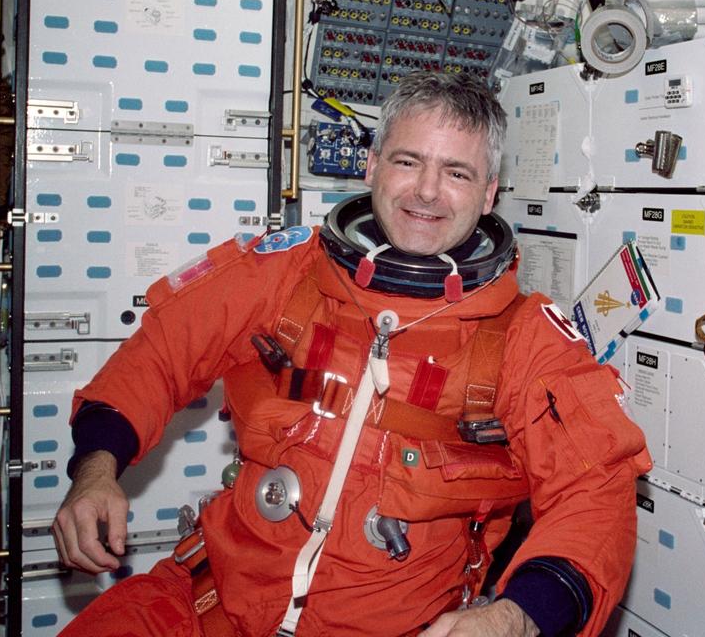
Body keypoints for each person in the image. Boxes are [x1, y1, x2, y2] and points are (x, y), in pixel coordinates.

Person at [52, 70, 651, 637]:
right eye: (407, 161)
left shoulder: (524, 339)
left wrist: (513, 617)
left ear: (489, 193)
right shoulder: (285, 274)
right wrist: (96, 470)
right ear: (371, 167)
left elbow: (595, 493)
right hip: (210, 601)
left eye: (457, 173)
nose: (426, 191)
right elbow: (162, 352)